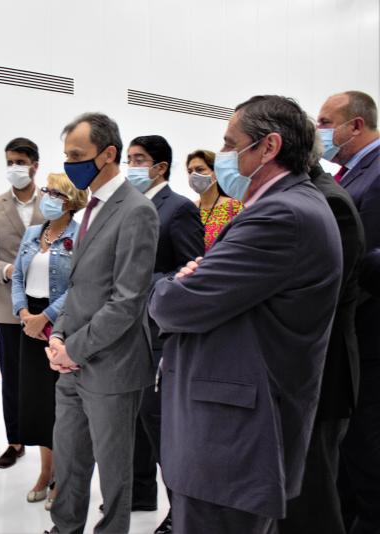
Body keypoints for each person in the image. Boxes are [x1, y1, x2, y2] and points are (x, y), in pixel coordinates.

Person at [149, 95, 343, 534]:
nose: (224, 156)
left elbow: (177, 304)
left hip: (230, 438)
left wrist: (168, 285)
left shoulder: (282, 214)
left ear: (268, 147)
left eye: (231, 143)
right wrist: (189, 281)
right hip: (235, 428)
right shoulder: (287, 206)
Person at [45, 112, 159, 534]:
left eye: (78, 155)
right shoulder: (89, 208)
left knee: (114, 473)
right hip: (71, 361)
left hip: (112, 365)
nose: (70, 163)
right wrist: (58, 337)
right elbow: (79, 287)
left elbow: (127, 301)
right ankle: (65, 527)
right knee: (70, 458)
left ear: (108, 154)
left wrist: (72, 348)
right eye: (66, 155)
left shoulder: (137, 211)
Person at [277, 126, 365, 534]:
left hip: (319, 374)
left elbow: (316, 299)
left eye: (234, 144)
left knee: (312, 498)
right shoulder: (303, 198)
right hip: (292, 374)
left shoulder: (329, 203)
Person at [126, 135, 205, 534]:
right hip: (127, 333)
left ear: (160, 166)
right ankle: (140, 492)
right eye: (129, 158)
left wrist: (143, 282)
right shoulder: (129, 206)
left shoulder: (178, 210)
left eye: (139, 160)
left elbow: (192, 271)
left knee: (160, 426)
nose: (131, 166)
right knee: (135, 420)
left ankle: (179, 512)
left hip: (159, 331)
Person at [317, 90, 380, 534]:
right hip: (349, 326)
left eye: (325, 121)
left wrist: (344, 263)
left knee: (366, 444)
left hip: (369, 326)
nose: (320, 130)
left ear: (354, 125)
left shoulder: (377, 174)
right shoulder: (349, 173)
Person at [11, 172, 87, 508]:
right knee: (39, 405)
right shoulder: (32, 234)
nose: (48, 197)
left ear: (69, 202)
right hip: (29, 325)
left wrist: (47, 317)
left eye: (56, 193)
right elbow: (17, 276)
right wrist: (23, 313)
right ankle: (46, 472)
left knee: (63, 406)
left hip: (60, 325)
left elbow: (80, 285)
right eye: (47, 190)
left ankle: (65, 478)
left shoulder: (80, 236)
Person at [0, 138, 44, 468]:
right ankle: (15, 441)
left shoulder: (54, 202)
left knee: (47, 378)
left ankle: (50, 445)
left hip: (48, 308)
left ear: (35, 165)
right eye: (9, 162)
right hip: (8, 307)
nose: (14, 168)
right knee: (14, 380)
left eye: (20, 161)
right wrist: (6, 270)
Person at [185, 149, 244, 251]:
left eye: (199, 169)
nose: (193, 175)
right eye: (190, 171)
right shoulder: (188, 208)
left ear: (216, 173)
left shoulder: (234, 206)